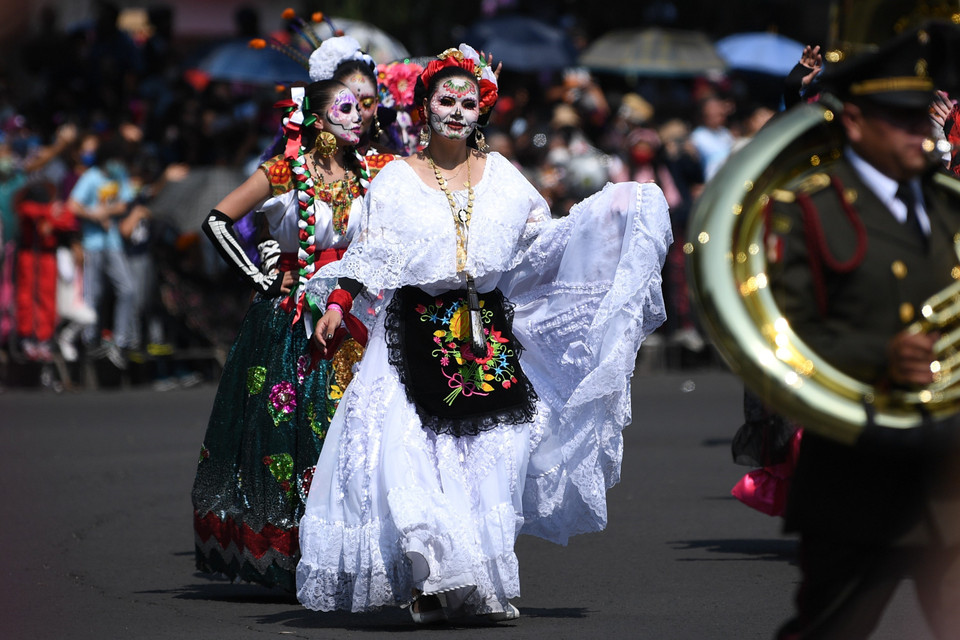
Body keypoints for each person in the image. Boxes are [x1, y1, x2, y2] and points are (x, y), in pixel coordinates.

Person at [295, 44, 671, 623]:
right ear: (423, 107)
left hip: (483, 335)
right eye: (444, 98)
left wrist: (610, 218)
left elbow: (541, 246)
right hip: (410, 333)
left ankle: (473, 581)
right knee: (409, 453)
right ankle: (428, 574)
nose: (456, 109)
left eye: (467, 101)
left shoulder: (506, 179)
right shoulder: (394, 179)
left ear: (481, 112)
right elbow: (369, 252)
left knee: (491, 456)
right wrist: (339, 304)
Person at [766, 23, 960, 639]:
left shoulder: (949, 204)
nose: (921, 130)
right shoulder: (810, 208)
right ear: (854, 122)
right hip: (856, 483)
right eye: (901, 119)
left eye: (924, 115)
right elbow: (780, 336)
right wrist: (881, 356)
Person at [191, 78, 393, 592]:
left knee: (355, 429)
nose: (357, 117)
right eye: (344, 108)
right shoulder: (286, 169)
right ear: (317, 119)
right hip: (291, 318)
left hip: (357, 314)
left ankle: (348, 548)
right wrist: (262, 276)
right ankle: (289, 552)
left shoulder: (376, 169)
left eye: (362, 108)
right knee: (291, 430)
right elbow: (217, 221)